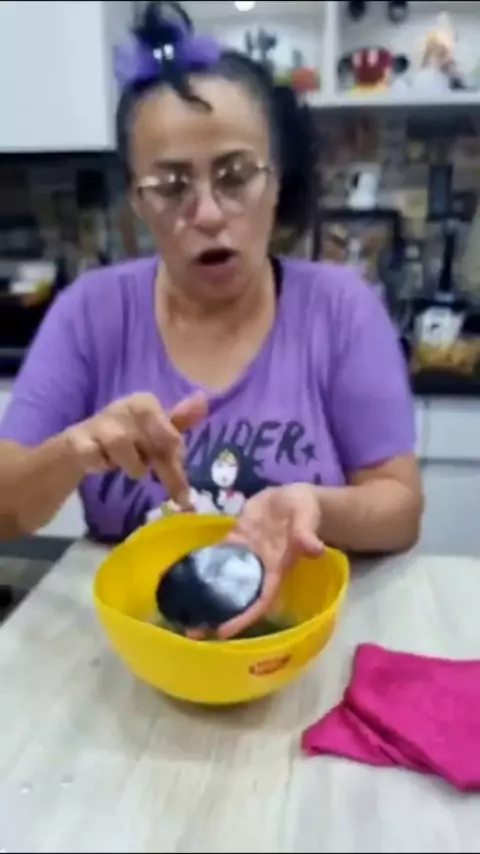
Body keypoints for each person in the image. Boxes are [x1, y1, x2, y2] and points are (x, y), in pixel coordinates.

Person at [0, 1, 422, 638]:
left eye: (235, 176)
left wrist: (315, 505)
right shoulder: (89, 313)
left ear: (276, 184)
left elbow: (400, 508)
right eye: (172, 187)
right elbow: (5, 511)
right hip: (132, 648)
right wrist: (70, 451)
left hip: (300, 638)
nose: (206, 214)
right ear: (138, 201)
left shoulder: (341, 310)